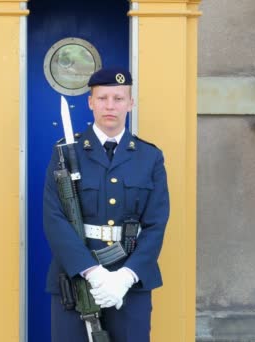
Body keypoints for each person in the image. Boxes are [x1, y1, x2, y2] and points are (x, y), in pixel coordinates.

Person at [42, 67, 170, 342]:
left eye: (118, 98)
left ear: (130, 103)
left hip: (130, 279)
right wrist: (93, 272)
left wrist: (125, 276)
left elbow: (156, 224)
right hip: (76, 277)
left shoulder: (149, 157)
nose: (110, 106)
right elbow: (55, 218)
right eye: (102, 98)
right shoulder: (66, 152)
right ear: (90, 102)